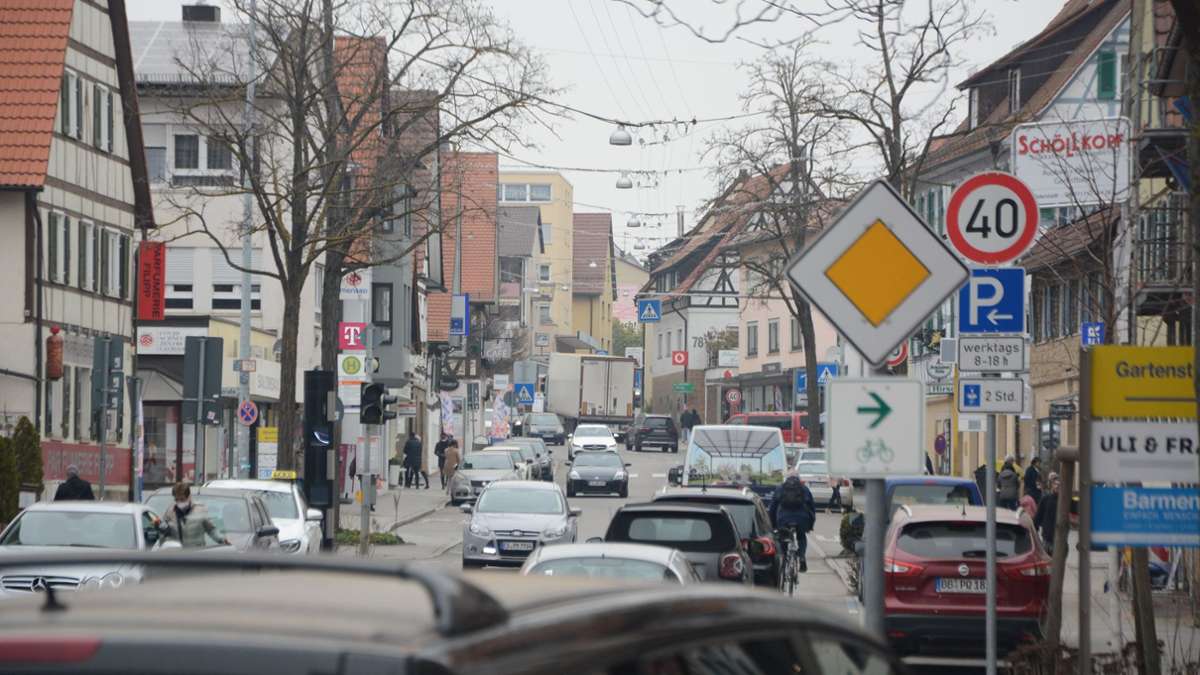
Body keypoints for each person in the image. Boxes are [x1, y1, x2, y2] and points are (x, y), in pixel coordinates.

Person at [769, 473, 817, 573]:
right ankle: (802, 557)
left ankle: (783, 558)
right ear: (798, 478)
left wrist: (773, 525)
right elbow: (812, 507)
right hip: (801, 519)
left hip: (783, 519)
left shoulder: (780, 488)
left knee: (782, 538)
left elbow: (772, 508)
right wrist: (810, 525)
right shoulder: (804, 489)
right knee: (801, 536)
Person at [157, 483, 229, 547]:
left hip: (196, 555)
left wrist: (222, 540)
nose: (179, 502)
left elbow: (211, 530)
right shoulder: (170, 512)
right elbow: (163, 534)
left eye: (182, 499)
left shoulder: (200, 510)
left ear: (189, 497)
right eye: (176, 500)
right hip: (176, 556)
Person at [1034, 472, 1060, 554]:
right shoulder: (1045, 499)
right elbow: (1039, 515)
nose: (1057, 486)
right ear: (1051, 485)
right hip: (1047, 535)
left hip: (1059, 536)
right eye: (1055, 484)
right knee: (1046, 558)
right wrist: (1035, 528)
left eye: (1059, 485)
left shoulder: (1065, 501)